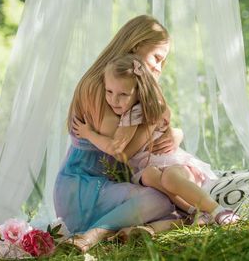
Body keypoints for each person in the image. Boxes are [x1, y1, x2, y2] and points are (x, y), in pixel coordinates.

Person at [54, 15, 184, 252]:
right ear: (136, 46)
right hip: (81, 191)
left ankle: (124, 232)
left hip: (107, 186)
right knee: (161, 199)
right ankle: (95, 234)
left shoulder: (123, 85)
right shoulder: (102, 86)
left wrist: (175, 134)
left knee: (177, 196)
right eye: (157, 58)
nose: (158, 67)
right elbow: (122, 152)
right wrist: (155, 122)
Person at [72, 54, 239, 228]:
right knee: (150, 174)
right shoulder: (129, 112)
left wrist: (88, 134)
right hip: (151, 169)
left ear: (138, 92)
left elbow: (116, 148)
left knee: (168, 178)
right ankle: (193, 212)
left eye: (123, 94)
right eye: (109, 91)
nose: (114, 100)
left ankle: (218, 210)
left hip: (175, 165)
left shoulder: (135, 113)